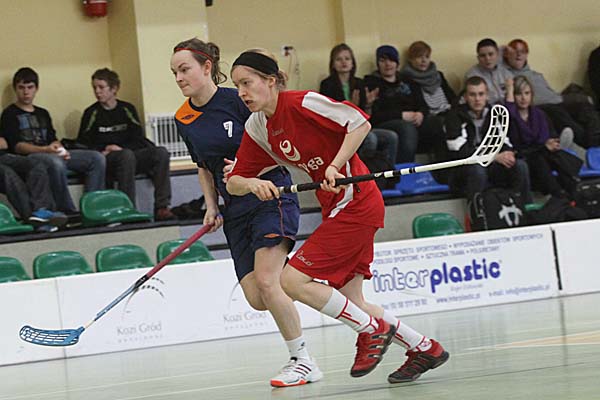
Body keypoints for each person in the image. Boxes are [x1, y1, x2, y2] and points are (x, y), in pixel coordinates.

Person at [227, 49, 449, 384]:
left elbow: (359, 122)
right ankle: (425, 348)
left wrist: (335, 164)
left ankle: (370, 330)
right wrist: (251, 183)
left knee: (291, 281)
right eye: (237, 86)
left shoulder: (303, 103)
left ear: (271, 81)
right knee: (353, 301)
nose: (241, 92)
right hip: (335, 205)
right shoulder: (258, 126)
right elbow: (234, 182)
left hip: (356, 200)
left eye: (247, 83)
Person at [170, 38, 321, 387]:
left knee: (268, 282)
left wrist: (246, 166)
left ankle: (302, 360)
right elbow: (203, 166)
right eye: (174, 72)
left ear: (207, 67)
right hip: (234, 208)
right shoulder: (183, 117)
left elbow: (274, 140)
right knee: (257, 297)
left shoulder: (238, 100)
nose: (179, 78)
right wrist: (211, 206)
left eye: (185, 69)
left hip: (270, 195)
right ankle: (308, 286)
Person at [0, 67, 105, 214]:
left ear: (36, 89)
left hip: (50, 152)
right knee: (55, 162)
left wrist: (60, 150)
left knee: (96, 158)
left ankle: (92, 207)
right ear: (15, 89)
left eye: (30, 87)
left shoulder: (43, 113)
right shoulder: (9, 114)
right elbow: (17, 146)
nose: (26, 92)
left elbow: (53, 140)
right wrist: (46, 150)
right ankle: (65, 210)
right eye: (21, 88)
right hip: (31, 157)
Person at [77, 68, 175, 221]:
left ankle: (162, 207)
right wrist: (104, 149)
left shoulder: (127, 109)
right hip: (108, 157)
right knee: (126, 156)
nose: (97, 91)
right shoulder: (91, 113)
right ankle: (127, 207)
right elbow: (83, 142)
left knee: (160, 152)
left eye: (101, 87)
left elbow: (139, 138)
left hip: (128, 152)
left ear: (114, 89)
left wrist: (122, 148)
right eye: (94, 87)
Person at [445, 76, 531, 202]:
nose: (477, 99)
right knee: (478, 169)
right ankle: (475, 209)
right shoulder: (454, 116)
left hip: (491, 165)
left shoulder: (494, 113)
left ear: (487, 96)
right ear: (465, 97)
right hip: (463, 168)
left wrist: (508, 153)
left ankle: (524, 207)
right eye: (472, 95)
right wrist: (493, 157)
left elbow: (504, 141)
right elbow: (460, 153)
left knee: (519, 165)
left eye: (481, 94)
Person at [505, 38, 599, 153]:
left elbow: (552, 93)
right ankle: (589, 146)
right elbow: (492, 57)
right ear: (507, 54)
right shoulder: (506, 74)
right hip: (543, 105)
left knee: (584, 104)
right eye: (515, 51)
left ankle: (596, 141)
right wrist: (504, 51)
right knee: (558, 113)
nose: (519, 54)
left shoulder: (536, 74)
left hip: (558, 100)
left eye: (522, 51)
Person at [319, 43, 397, 168]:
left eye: (347, 59)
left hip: (359, 126)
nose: (344, 62)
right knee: (371, 139)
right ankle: (362, 172)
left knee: (391, 137)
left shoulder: (359, 83)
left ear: (352, 63)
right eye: (339, 59)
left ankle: (390, 172)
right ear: (333, 64)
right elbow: (329, 114)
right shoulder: (327, 84)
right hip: (340, 130)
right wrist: (351, 107)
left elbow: (366, 116)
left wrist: (368, 105)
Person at [506, 76, 581, 198]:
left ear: (532, 95)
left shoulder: (539, 114)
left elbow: (549, 135)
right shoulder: (511, 117)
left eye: (527, 93)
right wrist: (509, 88)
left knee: (559, 157)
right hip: (523, 155)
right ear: (513, 96)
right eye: (518, 94)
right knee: (539, 158)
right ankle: (558, 194)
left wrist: (552, 143)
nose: (523, 98)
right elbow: (517, 147)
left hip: (542, 151)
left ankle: (574, 191)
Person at [401, 40, 457, 180]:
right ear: (411, 59)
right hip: (427, 118)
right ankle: (444, 175)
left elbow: (452, 97)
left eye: (426, 56)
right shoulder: (406, 80)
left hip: (447, 114)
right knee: (440, 125)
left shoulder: (438, 75)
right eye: (419, 57)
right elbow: (417, 105)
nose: (423, 60)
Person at [364, 45, 429, 163]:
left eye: (391, 60)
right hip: (386, 123)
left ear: (397, 63)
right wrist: (401, 115)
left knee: (435, 123)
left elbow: (423, 105)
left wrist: (420, 114)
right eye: (383, 60)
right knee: (406, 128)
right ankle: (404, 169)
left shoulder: (409, 81)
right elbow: (374, 116)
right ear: (378, 64)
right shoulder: (371, 83)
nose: (387, 64)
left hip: (413, 119)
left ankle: (446, 169)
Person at [0, 134, 67, 232]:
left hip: (4, 157)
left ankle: (41, 210)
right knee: (8, 175)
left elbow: (3, 144)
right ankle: (33, 219)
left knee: (36, 164)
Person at [465, 38, 513, 105]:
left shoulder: (506, 73)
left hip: (507, 108)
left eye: (491, 54)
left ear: (497, 55)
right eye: (483, 56)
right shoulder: (472, 75)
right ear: (478, 58)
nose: (487, 58)